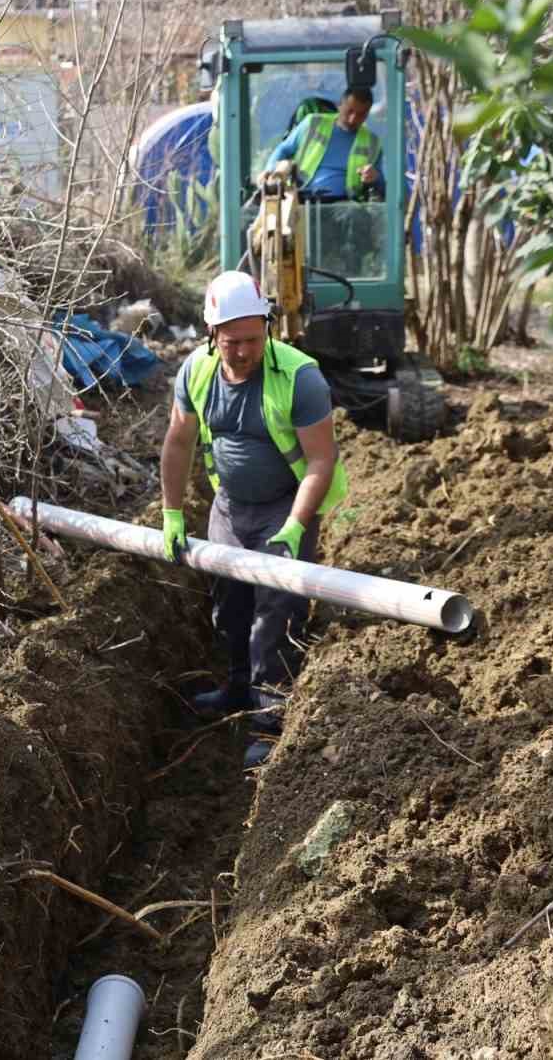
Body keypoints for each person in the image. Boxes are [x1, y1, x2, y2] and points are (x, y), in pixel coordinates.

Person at [158, 271, 348, 767]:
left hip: (284, 508)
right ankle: (238, 689)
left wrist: (295, 525)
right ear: (211, 335)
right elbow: (178, 442)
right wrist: (172, 512)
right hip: (228, 508)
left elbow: (322, 462)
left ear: (267, 327)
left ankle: (272, 721)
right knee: (230, 610)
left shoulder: (300, 377)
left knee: (275, 618)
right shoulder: (196, 372)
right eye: (231, 342)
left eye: (252, 339)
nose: (243, 352)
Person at [261, 86, 383, 201]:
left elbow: (384, 186)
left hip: (346, 205)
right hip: (301, 196)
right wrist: (270, 171)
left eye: (361, 115)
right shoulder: (313, 122)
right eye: (349, 111)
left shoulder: (372, 142)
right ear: (340, 105)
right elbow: (284, 149)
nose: (353, 119)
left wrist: (375, 177)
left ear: (367, 114)